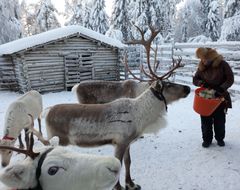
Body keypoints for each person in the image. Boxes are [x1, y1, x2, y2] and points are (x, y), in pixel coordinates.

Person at [193, 47, 234, 148]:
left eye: (205, 59)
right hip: (205, 97)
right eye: (201, 59)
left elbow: (230, 79)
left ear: (210, 57)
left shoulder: (222, 64)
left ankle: (220, 138)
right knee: (205, 120)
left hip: (220, 97)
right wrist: (201, 83)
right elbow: (195, 79)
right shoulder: (201, 67)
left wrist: (220, 89)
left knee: (219, 120)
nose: (203, 61)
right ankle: (207, 139)